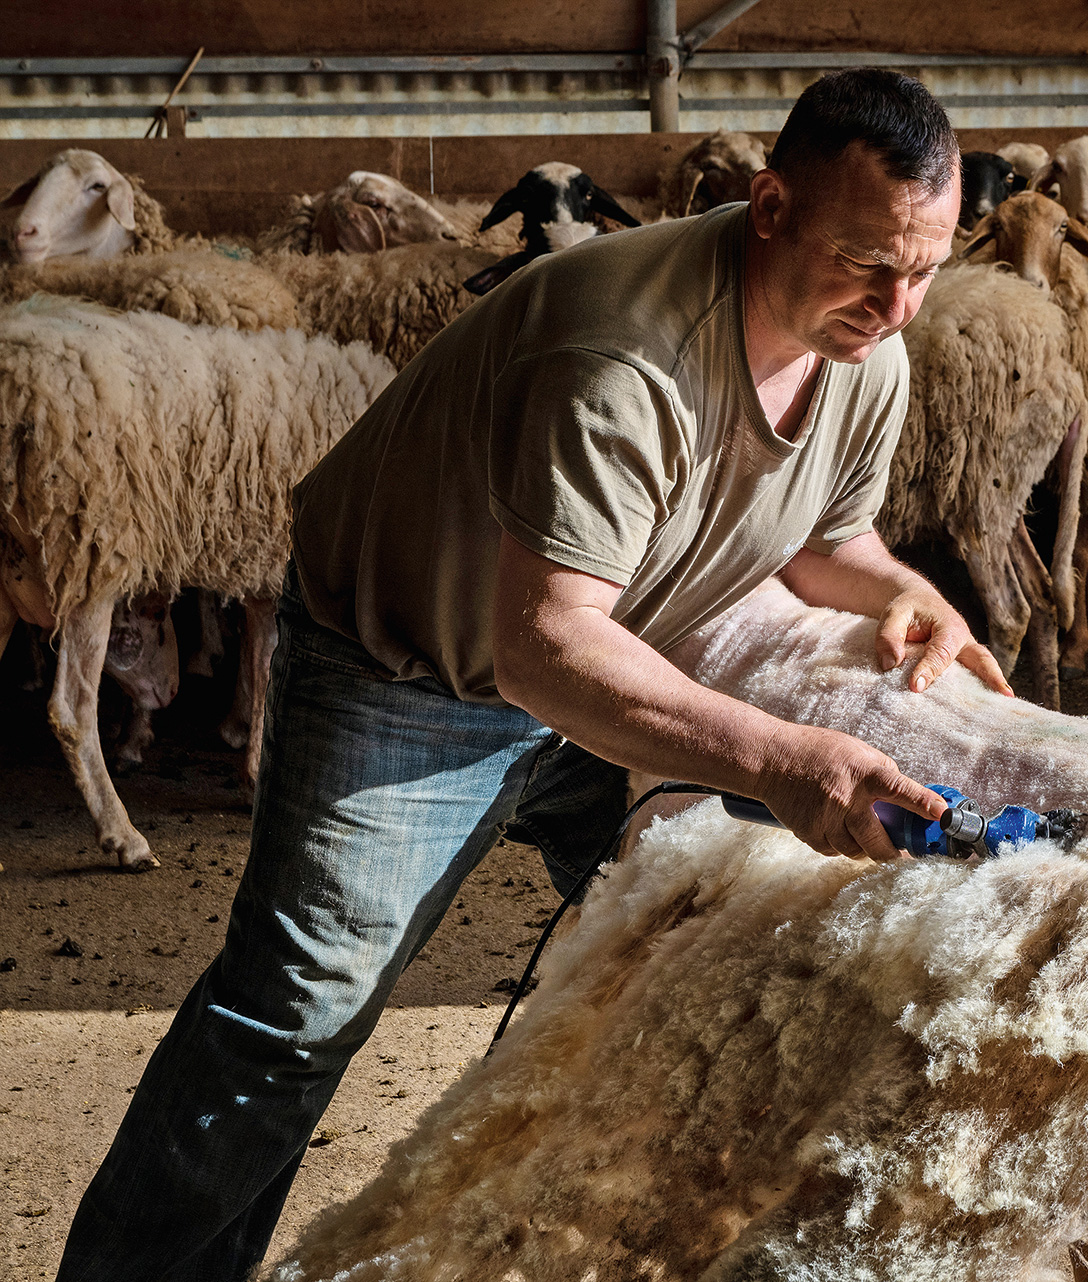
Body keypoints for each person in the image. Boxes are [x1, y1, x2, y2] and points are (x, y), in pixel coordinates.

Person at [58, 68, 1006, 1282]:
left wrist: (906, 591)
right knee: (298, 1013)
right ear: (768, 207)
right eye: (872, 262)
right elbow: (542, 642)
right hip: (418, 664)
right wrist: (783, 757)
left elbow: (829, 539)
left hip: (627, 655)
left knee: (695, 967)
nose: (901, 304)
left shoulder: (864, 348)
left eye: (927, 267)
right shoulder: (622, 352)